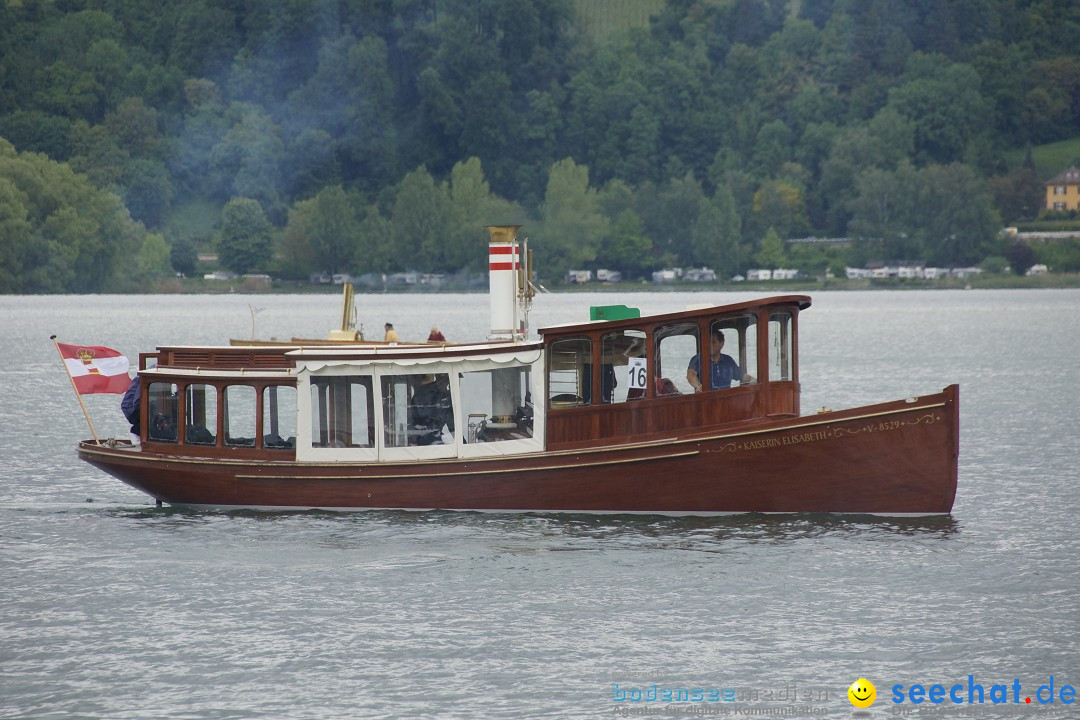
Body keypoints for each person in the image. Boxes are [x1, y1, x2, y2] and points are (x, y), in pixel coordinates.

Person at [687, 329, 753, 392]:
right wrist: (698, 386)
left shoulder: (728, 361)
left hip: (726, 399)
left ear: (721, 343)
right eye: (707, 342)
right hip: (706, 400)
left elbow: (743, 376)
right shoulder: (698, 359)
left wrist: (753, 380)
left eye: (713, 342)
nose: (710, 345)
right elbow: (691, 375)